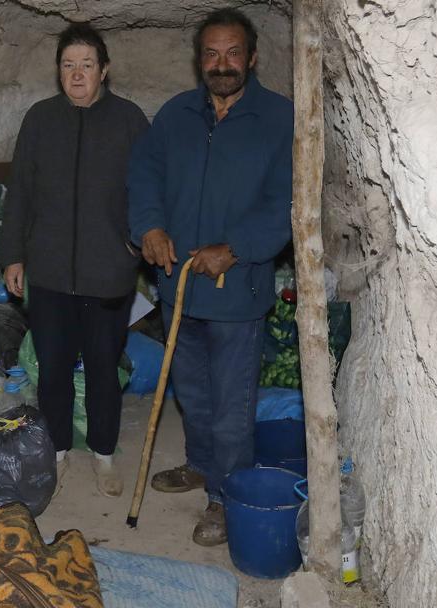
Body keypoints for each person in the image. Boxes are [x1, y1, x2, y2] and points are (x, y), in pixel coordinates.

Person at [127, 8, 294, 545]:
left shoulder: (278, 118)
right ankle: (201, 466)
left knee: (231, 409)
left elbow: (287, 203)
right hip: (180, 287)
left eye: (233, 53)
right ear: (199, 60)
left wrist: (238, 249)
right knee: (192, 396)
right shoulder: (176, 114)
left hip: (237, 294)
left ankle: (226, 495)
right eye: (211, 54)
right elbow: (144, 176)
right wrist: (149, 227)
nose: (222, 65)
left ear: (252, 57)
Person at [0, 23, 149, 498]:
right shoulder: (40, 120)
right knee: (54, 367)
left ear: (104, 70)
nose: (77, 74)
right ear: (58, 72)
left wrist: (133, 243)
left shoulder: (129, 120)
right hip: (49, 271)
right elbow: (19, 192)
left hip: (109, 272)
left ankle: (104, 455)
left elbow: (147, 191)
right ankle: (58, 450)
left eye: (87, 64)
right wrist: (14, 255)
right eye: (68, 65)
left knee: (105, 367)